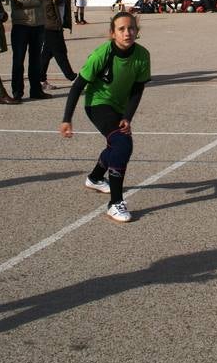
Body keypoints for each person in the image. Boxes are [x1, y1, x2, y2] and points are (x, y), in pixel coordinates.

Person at [59, 12, 150, 223]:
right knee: (122, 143)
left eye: (131, 28)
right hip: (97, 104)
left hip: (119, 107)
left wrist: (128, 116)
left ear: (137, 32)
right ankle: (115, 203)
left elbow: (137, 90)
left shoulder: (142, 55)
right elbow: (77, 86)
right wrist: (67, 119)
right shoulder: (101, 54)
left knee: (115, 144)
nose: (127, 33)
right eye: (121, 29)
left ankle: (95, 177)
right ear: (112, 33)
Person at [7, 0, 53, 101]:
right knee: (18, 60)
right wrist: (38, 2)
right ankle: (17, 93)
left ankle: (36, 91)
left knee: (35, 60)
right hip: (21, 25)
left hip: (38, 25)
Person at [40, 0, 77, 91]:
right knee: (60, 52)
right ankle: (73, 77)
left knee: (47, 54)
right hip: (50, 25)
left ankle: (40, 80)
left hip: (58, 24)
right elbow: (45, 3)